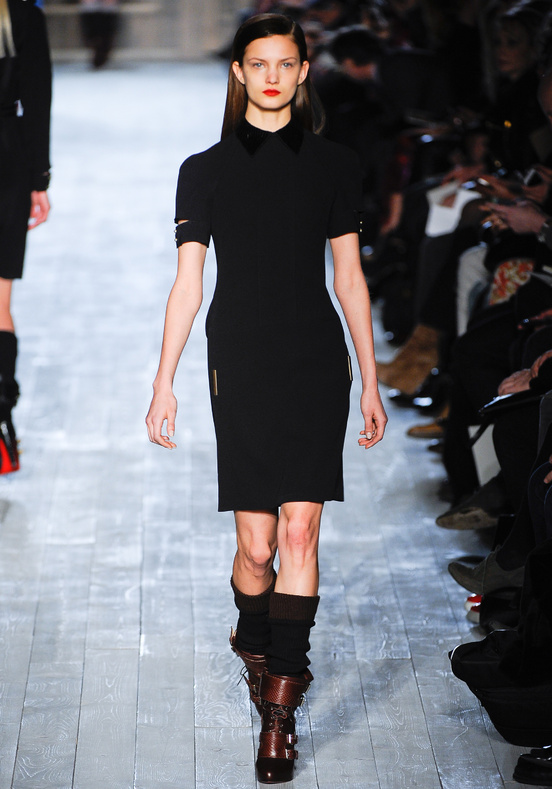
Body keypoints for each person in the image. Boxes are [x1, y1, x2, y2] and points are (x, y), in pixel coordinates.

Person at [146, 13, 387, 784]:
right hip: (241, 361)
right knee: (256, 547)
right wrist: (163, 380)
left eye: (287, 63)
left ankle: (280, 708)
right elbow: (188, 284)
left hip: (315, 360)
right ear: (240, 73)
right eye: (260, 64)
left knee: (301, 531)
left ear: (304, 71)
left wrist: (371, 377)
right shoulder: (204, 170)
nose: (273, 76)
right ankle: (254, 638)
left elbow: (349, 277)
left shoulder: (336, 164)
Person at [0, 0, 52, 473]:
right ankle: (1, 423)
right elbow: (37, 97)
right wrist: (39, 178)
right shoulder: (21, 16)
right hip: (7, 159)